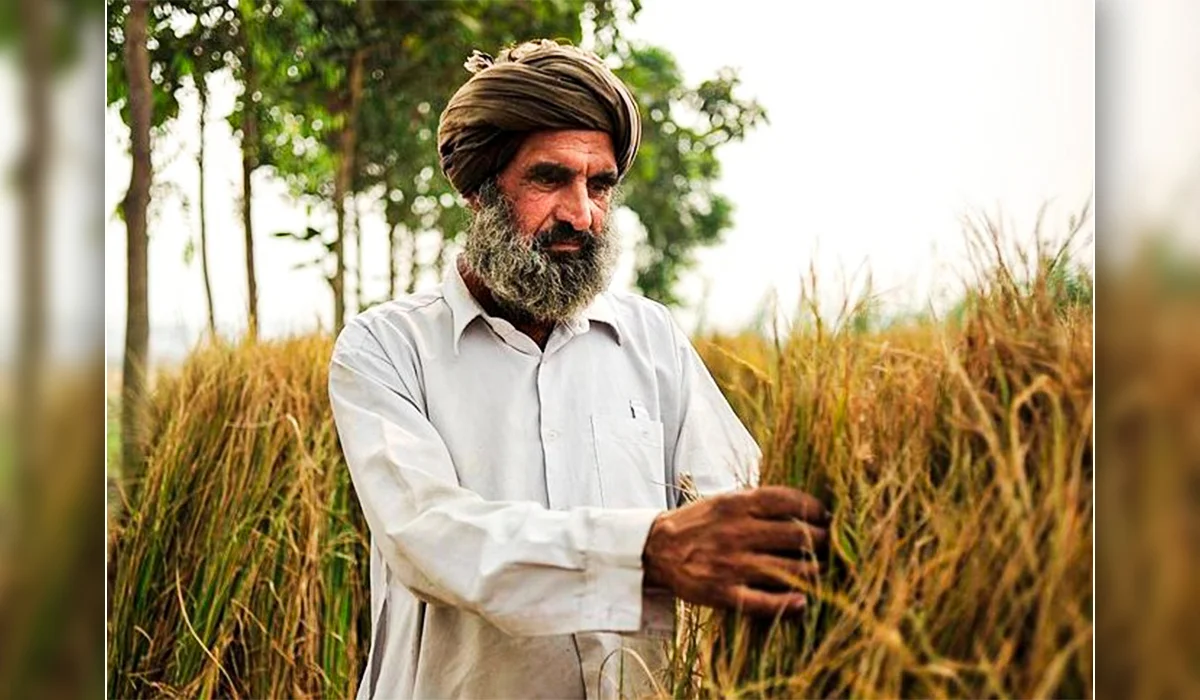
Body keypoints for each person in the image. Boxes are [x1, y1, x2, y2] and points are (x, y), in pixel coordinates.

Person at [328, 39, 831, 700]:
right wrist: (647, 550)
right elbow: (430, 539)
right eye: (549, 178)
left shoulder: (651, 339)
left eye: (600, 185)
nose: (582, 214)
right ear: (481, 189)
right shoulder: (386, 348)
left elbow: (727, 502)